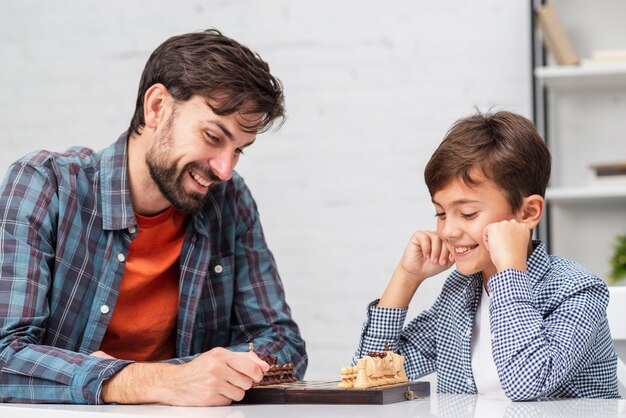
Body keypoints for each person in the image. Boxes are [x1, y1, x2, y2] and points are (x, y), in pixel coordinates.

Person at [0, 29, 307, 406]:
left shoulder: (230, 201)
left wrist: (177, 379)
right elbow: (6, 355)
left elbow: (282, 343)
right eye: (213, 137)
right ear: (157, 107)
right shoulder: (45, 185)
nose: (225, 169)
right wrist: (153, 382)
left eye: (239, 150)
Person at [354, 111, 619, 400]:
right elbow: (370, 377)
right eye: (441, 213)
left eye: (468, 213)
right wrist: (406, 277)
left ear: (528, 212)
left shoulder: (577, 291)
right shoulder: (458, 295)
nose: (449, 231)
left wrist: (509, 271)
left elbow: (527, 383)